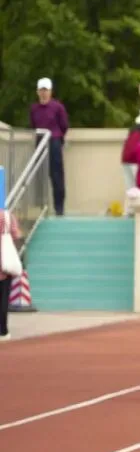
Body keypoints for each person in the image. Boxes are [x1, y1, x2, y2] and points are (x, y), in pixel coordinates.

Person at [29, 78, 68, 216]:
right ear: (38, 92)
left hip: (54, 141)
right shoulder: (34, 108)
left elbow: (64, 125)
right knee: (40, 175)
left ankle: (59, 207)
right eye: (41, 90)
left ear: (50, 91)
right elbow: (33, 125)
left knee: (56, 175)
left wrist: (58, 138)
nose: (44, 93)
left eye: (46, 90)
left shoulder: (57, 107)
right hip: (40, 142)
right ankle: (41, 207)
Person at [0, 209, 22, 342]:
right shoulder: (8, 216)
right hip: (5, 263)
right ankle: (3, 331)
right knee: (3, 299)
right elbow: (16, 235)